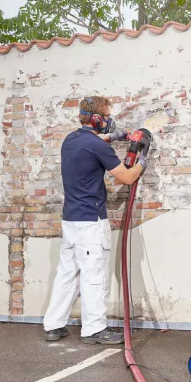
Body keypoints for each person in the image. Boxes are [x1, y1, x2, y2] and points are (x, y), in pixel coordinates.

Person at [42, 96, 147, 344]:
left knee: (67, 274)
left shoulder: (71, 140)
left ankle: (54, 325)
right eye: (107, 116)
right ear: (98, 118)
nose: (110, 120)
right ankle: (94, 330)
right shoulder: (98, 146)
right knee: (94, 276)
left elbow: (93, 144)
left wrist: (116, 136)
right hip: (91, 223)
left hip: (71, 220)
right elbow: (126, 177)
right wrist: (142, 162)